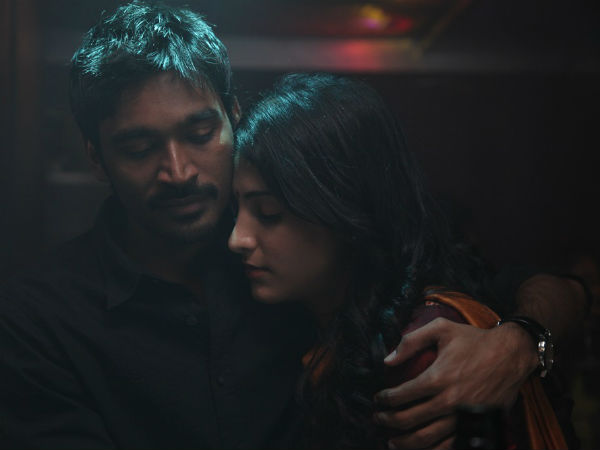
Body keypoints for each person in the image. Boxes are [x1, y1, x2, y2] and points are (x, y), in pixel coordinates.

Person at [0, 2, 588, 449]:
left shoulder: (298, 249)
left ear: (233, 118)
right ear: (95, 158)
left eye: (200, 133)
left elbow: (548, 288)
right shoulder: (37, 320)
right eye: (138, 147)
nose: (177, 171)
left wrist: (519, 344)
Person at [228, 72, 580, 448]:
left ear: (343, 212)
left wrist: (521, 342)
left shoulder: (420, 348)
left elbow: (564, 289)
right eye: (236, 209)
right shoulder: (311, 320)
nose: (236, 239)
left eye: (268, 213)